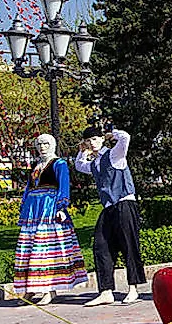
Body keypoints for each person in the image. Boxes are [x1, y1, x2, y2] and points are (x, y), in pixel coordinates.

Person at [75, 125, 146, 306]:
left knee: (129, 244)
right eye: (89, 141)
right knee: (101, 245)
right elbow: (79, 165)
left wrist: (111, 134)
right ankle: (106, 291)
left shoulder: (115, 155)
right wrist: (81, 151)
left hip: (124, 203)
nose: (93, 143)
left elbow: (126, 138)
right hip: (109, 208)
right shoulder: (95, 163)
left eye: (95, 139)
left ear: (101, 139)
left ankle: (133, 288)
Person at [14, 134, 87, 305]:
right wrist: (24, 206)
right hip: (33, 211)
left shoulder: (59, 164)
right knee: (29, 249)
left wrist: (61, 207)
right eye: (39, 144)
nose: (42, 147)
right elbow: (28, 187)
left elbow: (63, 185)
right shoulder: (36, 165)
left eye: (46, 143)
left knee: (44, 250)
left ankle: (49, 289)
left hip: (49, 208)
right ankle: (30, 289)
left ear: (52, 145)